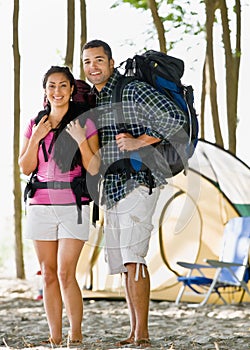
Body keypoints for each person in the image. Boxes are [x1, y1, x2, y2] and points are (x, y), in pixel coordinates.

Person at [82, 40, 187, 347]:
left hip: (139, 181)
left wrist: (140, 140)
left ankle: (142, 335)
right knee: (125, 262)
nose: (93, 67)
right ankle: (134, 332)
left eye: (99, 60)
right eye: (87, 62)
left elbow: (176, 119)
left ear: (111, 63)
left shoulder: (130, 89)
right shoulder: (98, 98)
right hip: (115, 187)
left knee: (133, 258)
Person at [19, 66, 100, 345]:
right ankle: (54, 337)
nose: (57, 91)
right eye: (52, 86)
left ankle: (74, 333)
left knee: (66, 272)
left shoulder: (84, 124)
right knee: (49, 274)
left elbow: (94, 167)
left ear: (71, 89)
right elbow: (26, 166)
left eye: (63, 86)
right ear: (45, 90)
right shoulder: (34, 124)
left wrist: (81, 141)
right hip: (40, 204)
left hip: (74, 205)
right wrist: (37, 139)